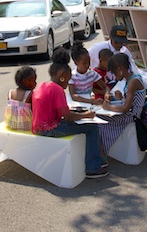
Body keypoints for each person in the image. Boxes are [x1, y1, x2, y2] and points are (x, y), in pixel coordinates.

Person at [31, 47, 108, 178]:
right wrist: (86, 115)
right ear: (62, 76)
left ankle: (97, 160)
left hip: (39, 126)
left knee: (84, 124)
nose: (68, 82)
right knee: (92, 128)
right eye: (67, 79)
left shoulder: (44, 85)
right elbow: (67, 117)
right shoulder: (57, 89)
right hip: (49, 128)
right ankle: (93, 167)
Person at [98, 53, 147, 158]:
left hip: (131, 116)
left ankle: (103, 153)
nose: (114, 76)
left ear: (119, 69)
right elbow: (130, 101)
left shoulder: (133, 82)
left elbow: (126, 108)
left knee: (99, 122)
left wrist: (108, 107)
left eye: (114, 72)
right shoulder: (132, 79)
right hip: (131, 113)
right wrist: (120, 97)